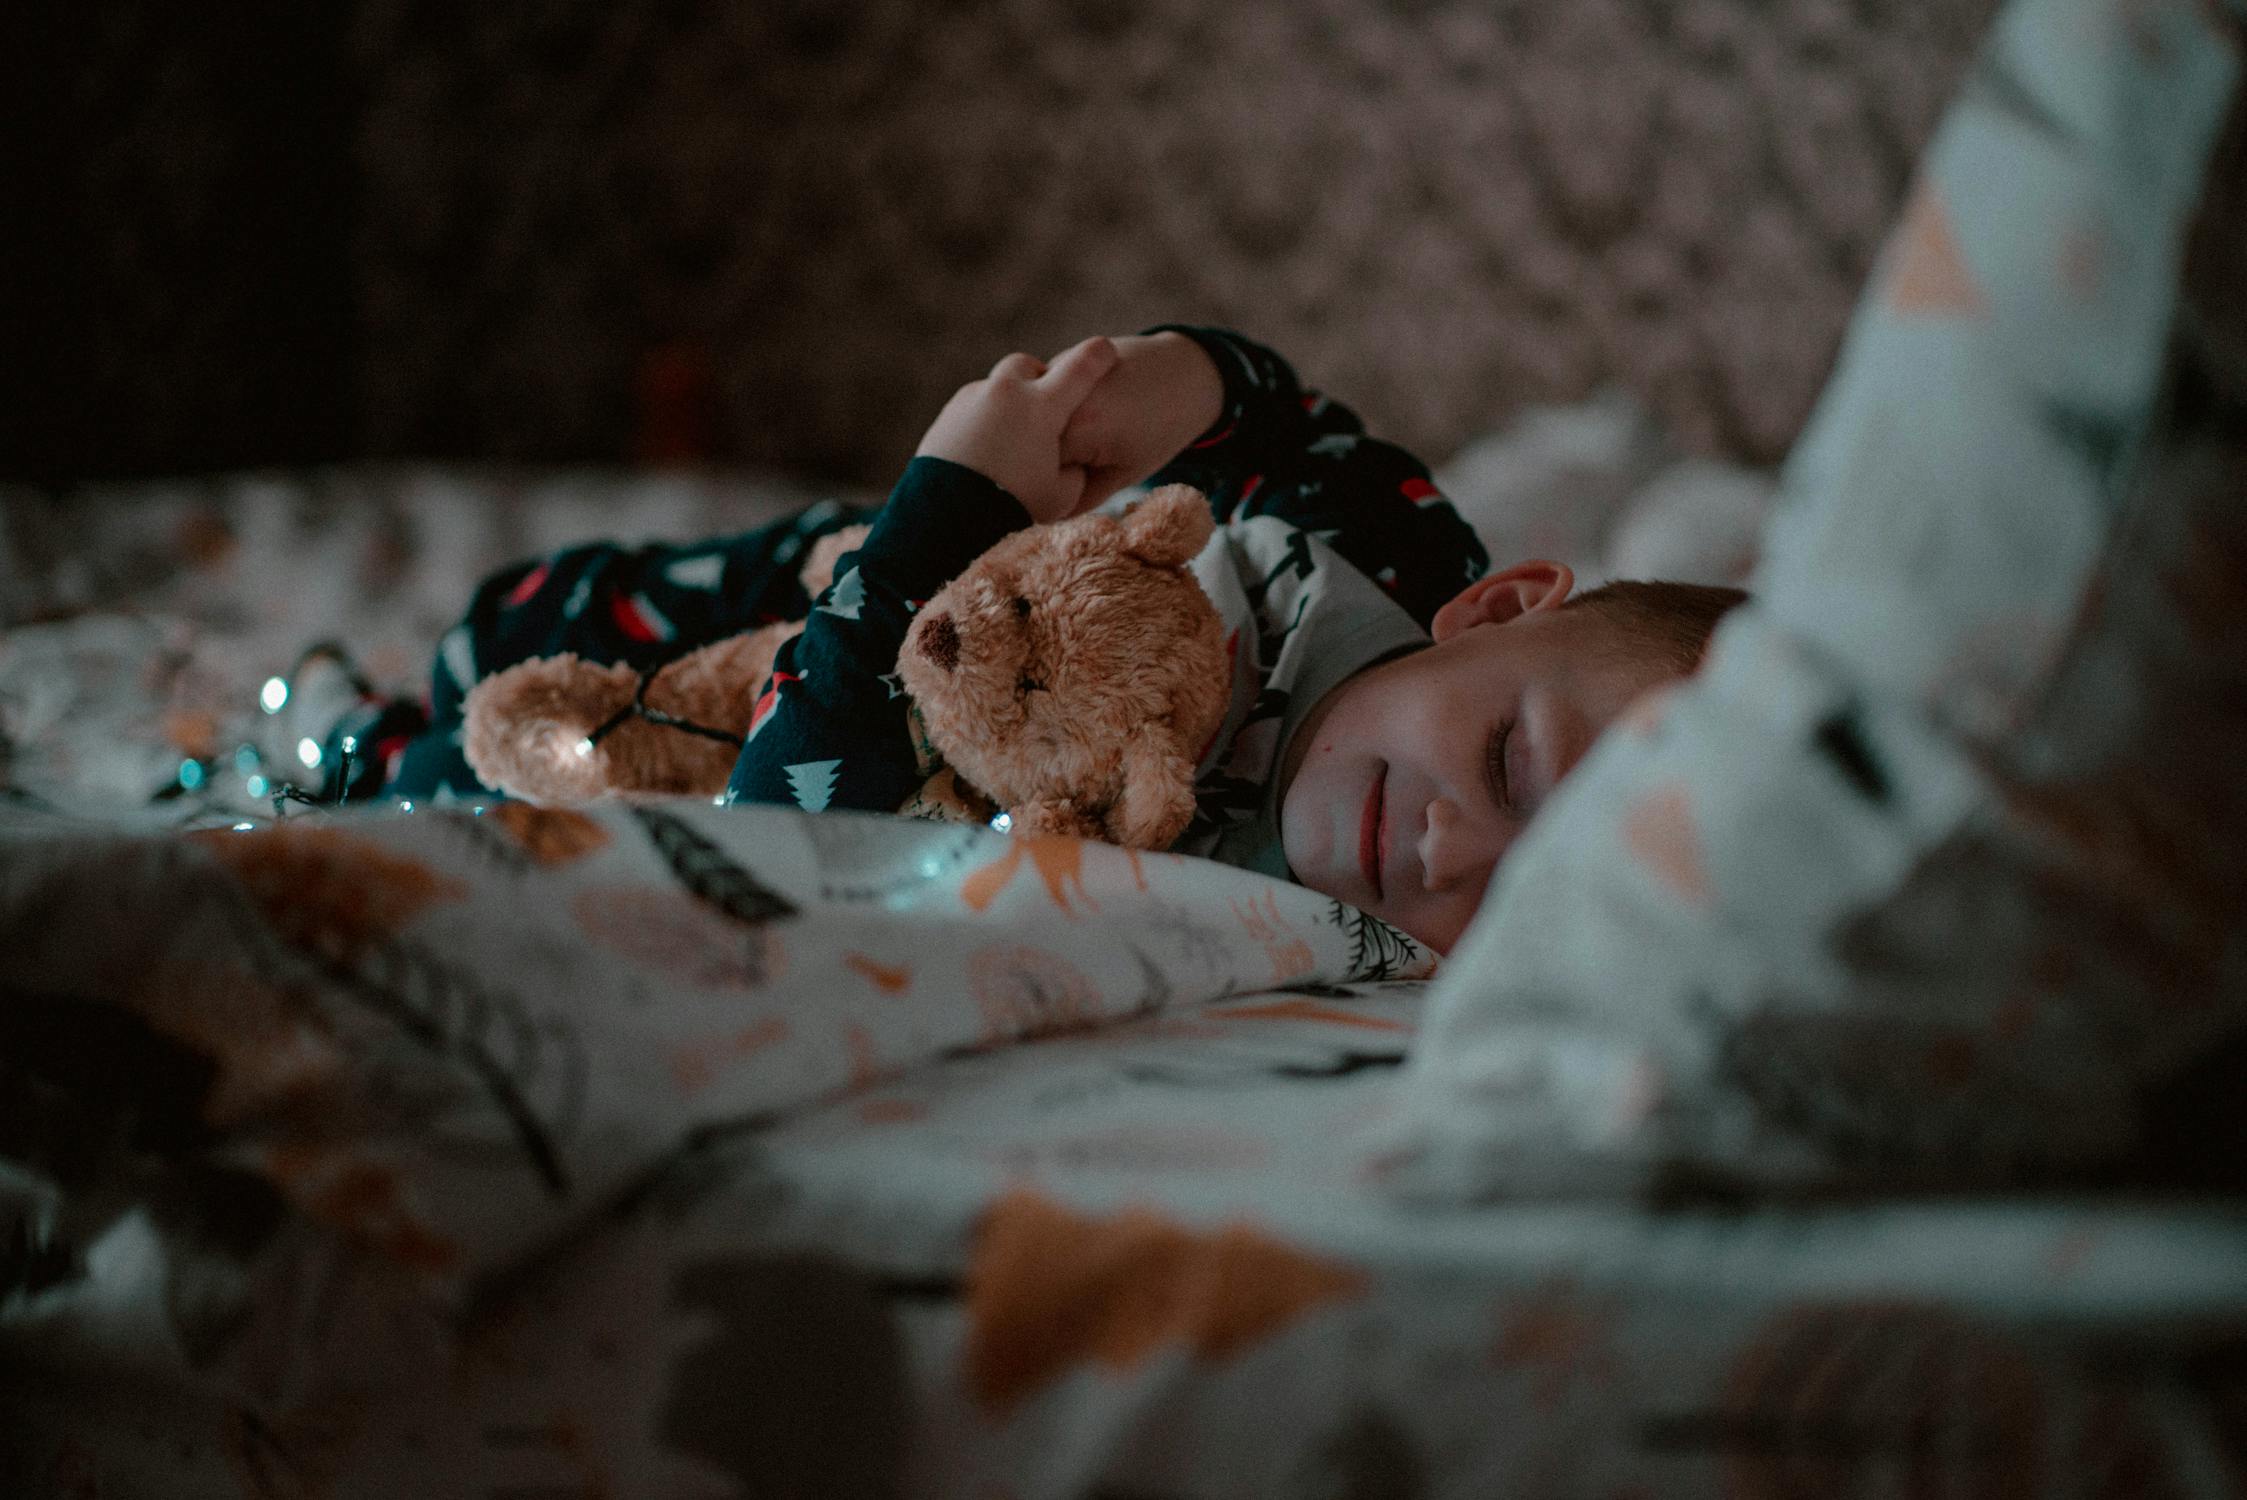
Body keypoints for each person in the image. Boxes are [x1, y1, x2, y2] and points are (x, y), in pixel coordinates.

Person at [307, 327, 1744, 952]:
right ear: (1497, 612)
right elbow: (1287, 414)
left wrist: (941, 517)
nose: (1450, 852)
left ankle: (349, 755)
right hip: (720, 606)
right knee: (517, 634)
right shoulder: (1394, 561)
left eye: (1528, 904)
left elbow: (787, 844)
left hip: (751, 730)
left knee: (449, 786)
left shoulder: (1221, 921)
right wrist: (1167, 384)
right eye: (1507, 758)